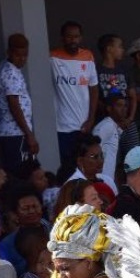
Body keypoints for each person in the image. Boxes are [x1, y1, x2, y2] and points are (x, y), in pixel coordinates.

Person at [50, 21, 98, 171]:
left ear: (81, 38)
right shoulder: (52, 57)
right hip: (61, 126)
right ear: (62, 38)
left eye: (76, 37)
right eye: (69, 37)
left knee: (84, 166)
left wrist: (91, 119)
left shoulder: (88, 57)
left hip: (83, 125)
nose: (73, 40)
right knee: (67, 166)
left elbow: (94, 89)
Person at [0, 34, 37, 174]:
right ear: (9, 52)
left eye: (25, 55)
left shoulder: (7, 67)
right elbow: (14, 105)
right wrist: (29, 134)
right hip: (14, 133)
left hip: (13, 133)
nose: (22, 59)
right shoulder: (10, 72)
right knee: (21, 173)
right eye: (18, 55)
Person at [95, 33, 138, 157]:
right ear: (109, 49)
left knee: (134, 157)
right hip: (106, 123)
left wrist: (130, 118)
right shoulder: (96, 70)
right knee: (110, 157)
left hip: (127, 124)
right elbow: (94, 98)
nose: (122, 50)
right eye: (119, 46)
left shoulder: (123, 70)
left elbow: (133, 96)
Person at [92, 93, 126, 182]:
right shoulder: (106, 126)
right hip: (101, 179)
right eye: (119, 105)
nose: (123, 109)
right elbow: (92, 152)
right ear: (109, 108)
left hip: (108, 180)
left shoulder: (113, 126)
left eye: (125, 106)